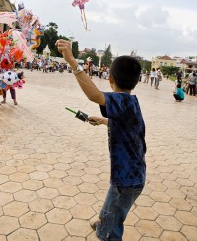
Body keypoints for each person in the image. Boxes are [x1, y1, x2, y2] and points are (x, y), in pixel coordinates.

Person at [56, 40, 146, 241]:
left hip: (126, 180)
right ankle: (106, 220)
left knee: (110, 226)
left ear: (110, 78)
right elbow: (129, 127)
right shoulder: (131, 101)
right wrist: (106, 121)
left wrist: (72, 62)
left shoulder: (120, 100)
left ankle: (107, 229)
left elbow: (93, 95)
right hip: (133, 175)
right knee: (114, 206)